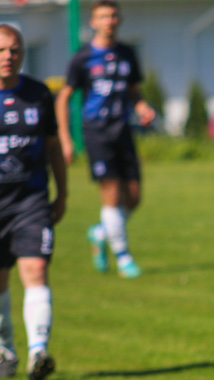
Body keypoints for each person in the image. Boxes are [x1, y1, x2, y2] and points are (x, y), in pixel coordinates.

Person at [55, 0, 154, 278]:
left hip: (123, 130)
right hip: (97, 132)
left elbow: (134, 91)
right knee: (111, 195)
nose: (109, 20)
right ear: (93, 22)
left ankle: (100, 233)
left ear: (119, 19)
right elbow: (64, 98)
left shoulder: (127, 54)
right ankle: (123, 257)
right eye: (102, 16)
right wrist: (66, 139)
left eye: (113, 15)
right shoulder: (82, 58)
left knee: (133, 197)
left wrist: (142, 107)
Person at [0, 24, 67, 380]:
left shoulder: (39, 94)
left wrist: (63, 194)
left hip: (31, 202)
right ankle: (5, 348)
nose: (8, 57)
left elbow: (53, 148)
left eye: (15, 50)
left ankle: (39, 352)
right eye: (2, 51)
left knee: (35, 271)